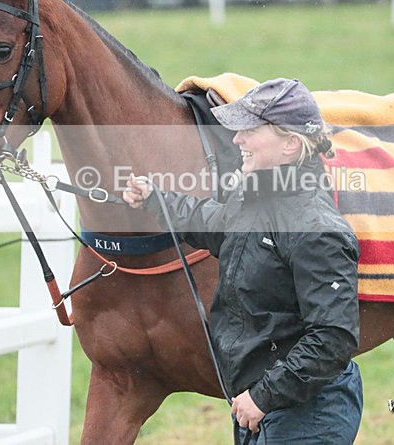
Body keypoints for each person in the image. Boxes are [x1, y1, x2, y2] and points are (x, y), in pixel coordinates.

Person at [124, 78, 362, 444]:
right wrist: (155, 198)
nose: (237, 140)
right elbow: (215, 224)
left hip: (307, 409)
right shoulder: (255, 199)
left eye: (250, 130)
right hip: (262, 402)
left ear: (290, 144)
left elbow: (333, 338)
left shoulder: (317, 230)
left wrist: (264, 397)